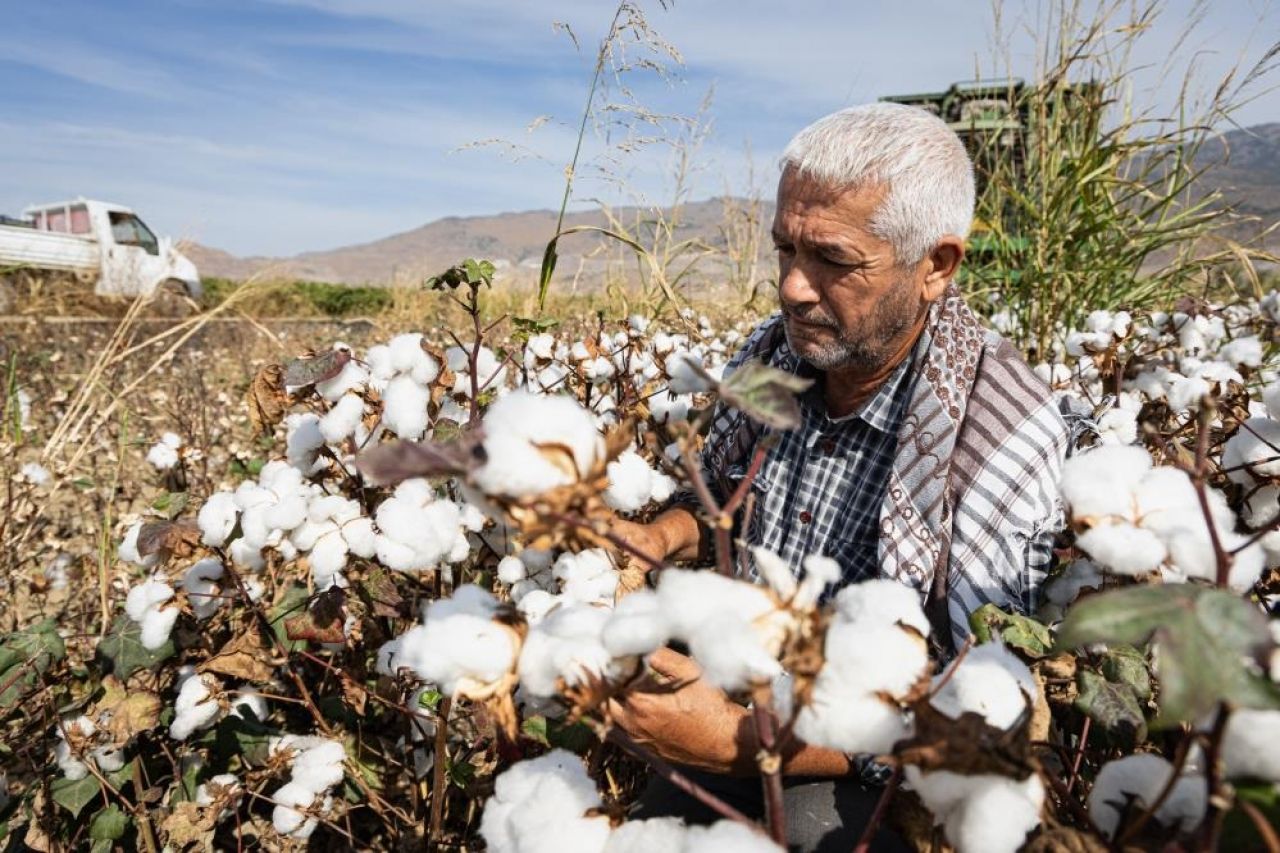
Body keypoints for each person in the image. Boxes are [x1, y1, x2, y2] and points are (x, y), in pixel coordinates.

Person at [608, 103, 1072, 851]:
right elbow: (721, 497)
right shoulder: (781, 353)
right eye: (785, 248)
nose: (792, 287)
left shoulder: (1001, 435)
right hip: (745, 695)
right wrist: (658, 535)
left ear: (936, 266)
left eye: (832, 259)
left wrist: (742, 741)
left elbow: (982, 718)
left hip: (876, 767)